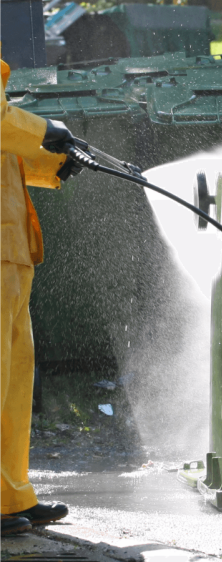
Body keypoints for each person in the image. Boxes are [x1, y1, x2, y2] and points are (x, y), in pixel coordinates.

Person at [2, 50, 83, 536]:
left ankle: (10, 497)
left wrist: (52, 163)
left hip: (10, 247)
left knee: (12, 383)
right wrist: (45, 130)